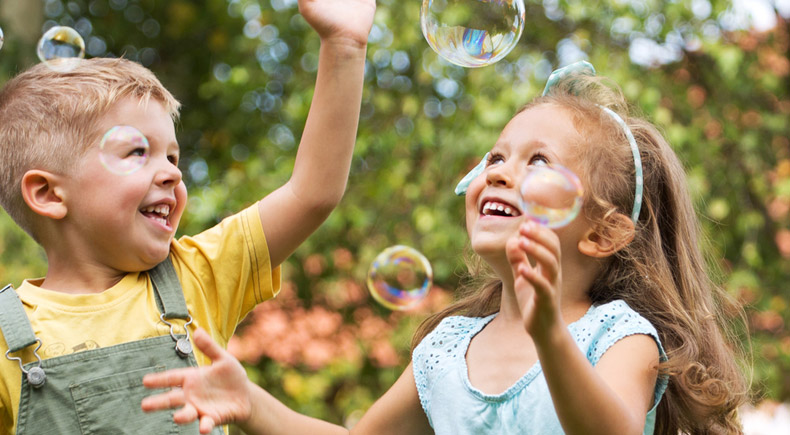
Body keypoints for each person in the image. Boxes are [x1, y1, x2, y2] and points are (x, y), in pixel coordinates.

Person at [141, 62, 748, 434]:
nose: (499, 172)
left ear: (603, 232)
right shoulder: (447, 352)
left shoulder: (618, 336)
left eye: (538, 161)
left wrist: (550, 337)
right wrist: (250, 402)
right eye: (494, 157)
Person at [0, 0, 375, 433]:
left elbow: (312, 193)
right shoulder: (9, 335)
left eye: (173, 155)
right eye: (138, 152)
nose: (173, 172)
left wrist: (344, 45)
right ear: (47, 193)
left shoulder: (196, 276)